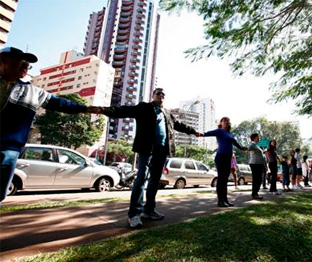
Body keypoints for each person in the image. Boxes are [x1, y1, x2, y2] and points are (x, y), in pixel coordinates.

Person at [88, 88, 200, 228]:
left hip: (162, 150)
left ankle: (149, 210)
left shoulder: (167, 113)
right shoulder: (144, 107)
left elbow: (179, 126)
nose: (161, 96)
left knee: (154, 180)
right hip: (146, 149)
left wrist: (194, 132)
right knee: (141, 178)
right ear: (153, 96)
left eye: (163, 94)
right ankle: (134, 214)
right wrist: (102, 110)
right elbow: (124, 110)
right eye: (158, 93)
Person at [0, 47, 88, 203]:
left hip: (9, 151)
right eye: (20, 62)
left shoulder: (33, 92)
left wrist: (88, 109)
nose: (25, 67)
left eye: (27, 64)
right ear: (2, 62)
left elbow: (62, 104)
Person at [201, 117, 247, 207]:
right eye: (224, 121)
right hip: (220, 158)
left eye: (227, 121)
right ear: (221, 123)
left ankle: (225, 199)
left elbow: (236, 143)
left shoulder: (229, 134)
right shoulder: (219, 131)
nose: (226, 122)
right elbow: (208, 133)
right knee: (221, 179)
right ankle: (220, 200)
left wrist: (242, 148)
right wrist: (200, 134)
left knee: (225, 180)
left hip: (227, 158)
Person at [248, 133, 264, 199]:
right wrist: (246, 148)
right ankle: (255, 194)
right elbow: (249, 148)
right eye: (257, 137)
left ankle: (255, 193)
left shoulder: (256, 145)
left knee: (258, 179)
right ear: (254, 138)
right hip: (255, 164)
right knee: (257, 179)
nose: (259, 138)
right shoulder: (253, 144)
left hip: (258, 164)